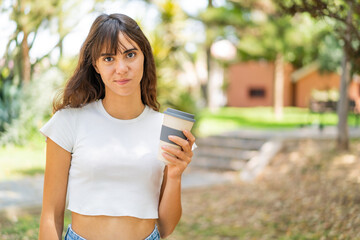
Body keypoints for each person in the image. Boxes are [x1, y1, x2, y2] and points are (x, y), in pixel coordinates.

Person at [38, 13, 196, 240]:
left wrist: (175, 175)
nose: (121, 68)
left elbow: (166, 227)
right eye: (108, 59)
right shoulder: (69, 121)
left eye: (130, 54)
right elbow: (51, 215)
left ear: (144, 57)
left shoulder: (165, 127)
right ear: (96, 65)